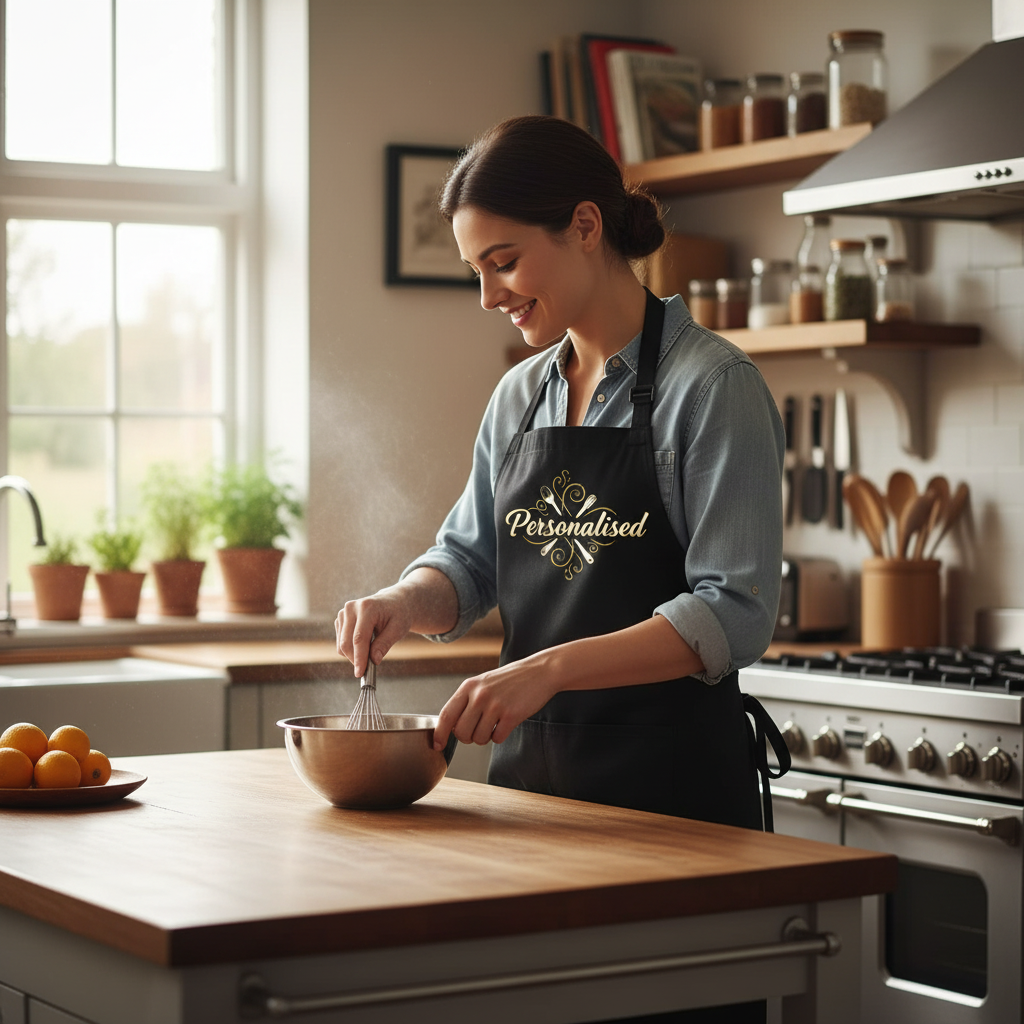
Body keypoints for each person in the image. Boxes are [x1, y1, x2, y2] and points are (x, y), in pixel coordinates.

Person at [338, 114, 786, 1023]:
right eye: (477, 271)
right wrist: (400, 598)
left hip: (675, 815)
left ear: (586, 226)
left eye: (503, 262)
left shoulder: (713, 388)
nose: (488, 294)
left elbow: (734, 612)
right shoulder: (522, 393)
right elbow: (468, 561)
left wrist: (546, 669)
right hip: (535, 803)